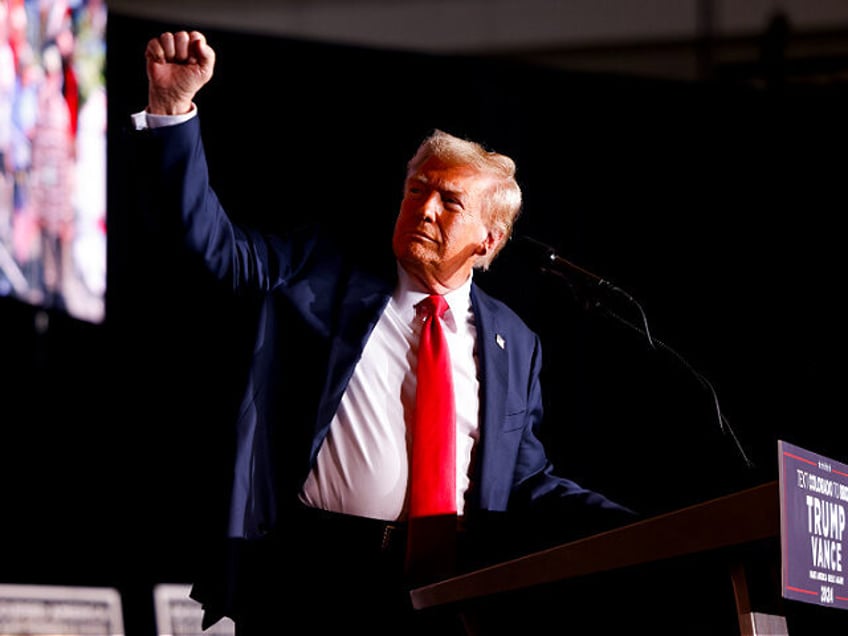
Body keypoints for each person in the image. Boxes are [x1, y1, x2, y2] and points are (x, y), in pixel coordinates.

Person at [130, 29, 638, 636]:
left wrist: (647, 525)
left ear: (489, 240)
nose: (423, 208)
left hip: (449, 589)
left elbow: (524, 480)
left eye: (449, 202)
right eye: (416, 189)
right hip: (314, 576)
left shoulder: (514, 341)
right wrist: (172, 112)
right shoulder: (320, 269)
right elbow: (212, 249)